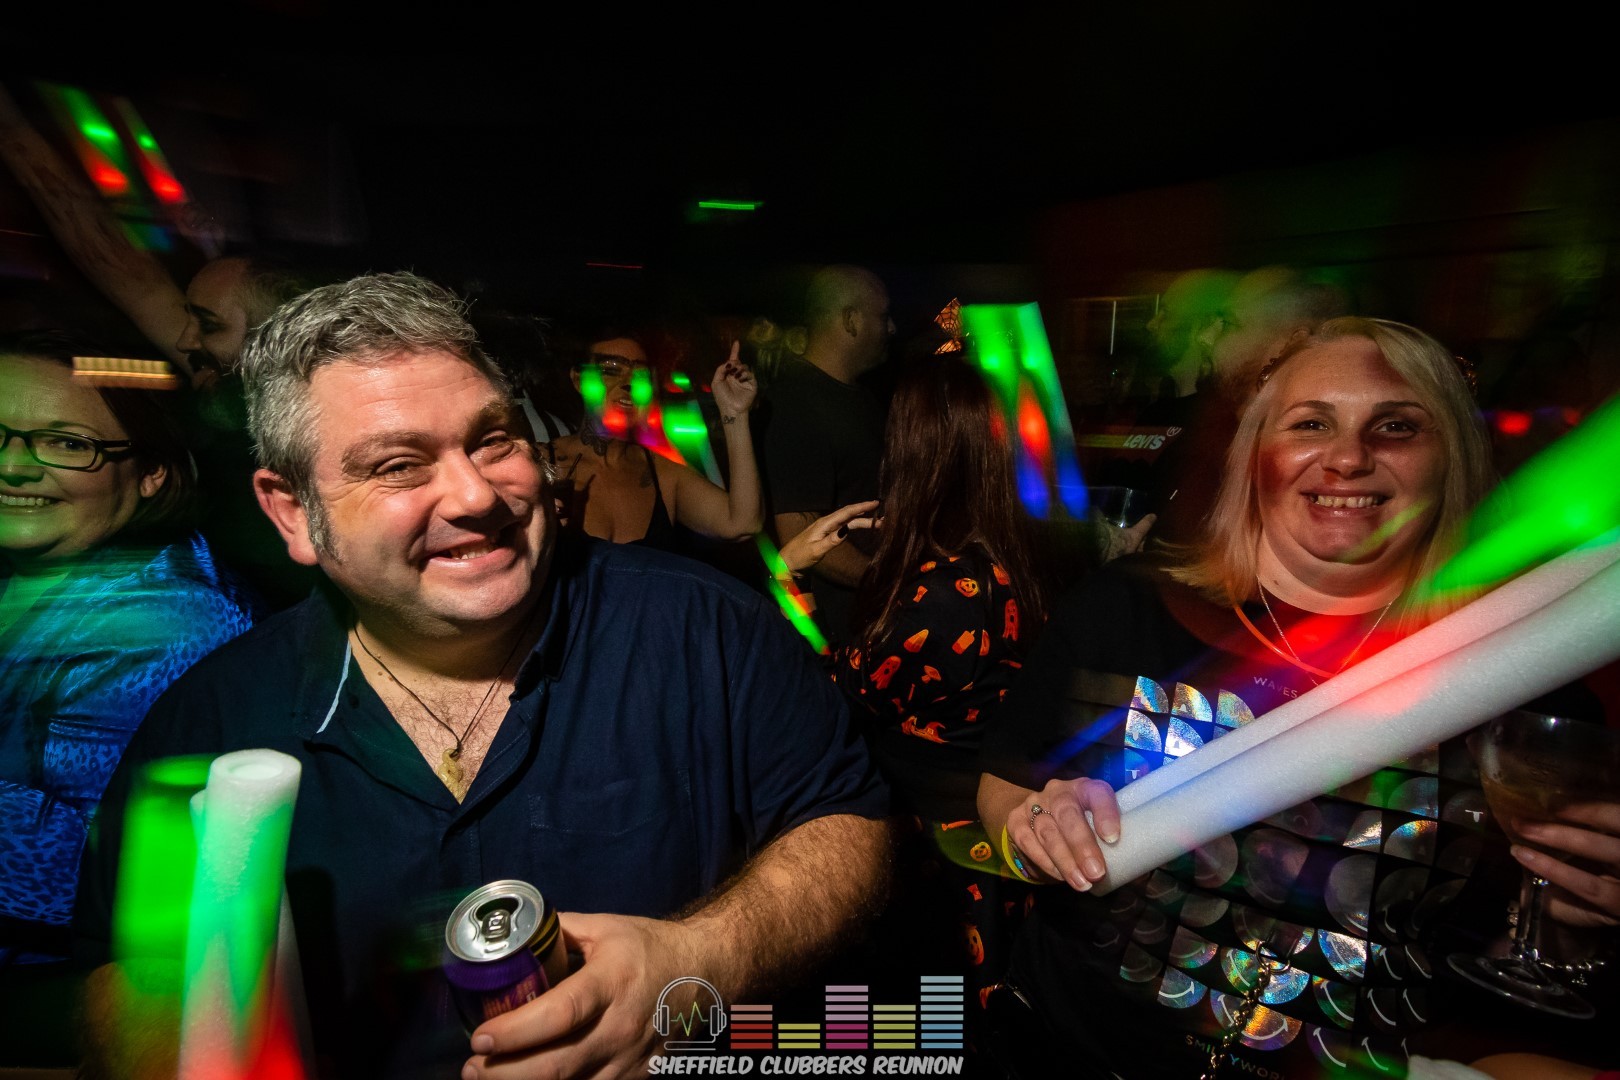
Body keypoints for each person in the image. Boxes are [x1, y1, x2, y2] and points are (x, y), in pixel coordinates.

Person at [71, 272, 890, 1080]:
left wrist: (702, 958)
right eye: (398, 465)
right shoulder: (210, 722)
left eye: (494, 440)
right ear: (294, 512)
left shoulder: (707, 630)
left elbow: (850, 821)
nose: (475, 495)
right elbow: (129, 973)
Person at [977, 317, 1615, 1078]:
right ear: (1257, 455)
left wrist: (1576, 921)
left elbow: (1515, 951)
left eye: (1397, 427)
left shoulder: (1521, 676)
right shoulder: (1123, 611)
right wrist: (1035, 826)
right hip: (1076, 1051)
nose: (1348, 457)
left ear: (1450, 458)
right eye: (1311, 424)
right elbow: (1004, 785)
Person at [0, 330, 257, 1065]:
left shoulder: (171, 624)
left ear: (150, 473)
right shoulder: (31, 570)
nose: (13, 465)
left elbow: (87, 870)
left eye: (67, 444)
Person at [785, 354, 1050, 1042]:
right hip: (982, 834)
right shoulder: (1005, 557)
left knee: (919, 1030)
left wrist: (787, 576)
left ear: (914, 452)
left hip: (938, 854)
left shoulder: (940, 596)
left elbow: (829, 695)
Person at [758, 264, 895, 649]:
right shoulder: (797, 405)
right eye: (883, 316)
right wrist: (891, 583)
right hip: (843, 632)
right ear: (851, 320)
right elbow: (800, 536)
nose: (891, 328)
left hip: (873, 618)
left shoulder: (862, 398)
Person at [544, 326, 763, 552]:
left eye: (641, 375)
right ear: (578, 379)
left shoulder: (663, 475)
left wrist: (735, 413)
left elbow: (743, 523)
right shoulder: (542, 464)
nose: (629, 383)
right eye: (611, 370)